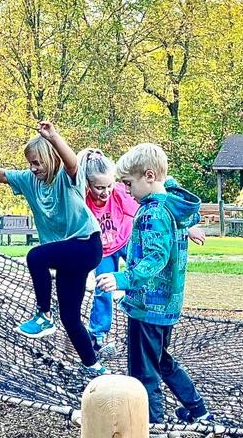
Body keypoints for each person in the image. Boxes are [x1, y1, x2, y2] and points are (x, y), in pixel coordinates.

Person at [95, 143, 210, 438]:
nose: (126, 191)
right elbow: (170, 186)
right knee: (162, 361)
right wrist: (190, 226)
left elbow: (156, 257)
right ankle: (197, 409)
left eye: (129, 184)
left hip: (147, 306)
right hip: (166, 306)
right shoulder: (171, 207)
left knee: (144, 373)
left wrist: (123, 278)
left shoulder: (152, 212)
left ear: (148, 176)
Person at [0, 122, 106, 375]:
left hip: (86, 245)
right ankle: (93, 366)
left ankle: (43, 315)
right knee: (70, 317)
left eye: (38, 162)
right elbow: (3, 175)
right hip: (66, 255)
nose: (34, 168)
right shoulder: (30, 181)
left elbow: (72, 162)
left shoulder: (67, 178)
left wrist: (54, 137)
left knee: (36, 256)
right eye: (31, 163)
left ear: (51, 158)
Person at [77, 148, 206, 358]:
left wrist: (186, 227)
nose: (106, 191)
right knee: (104, 287)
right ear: (88, 185)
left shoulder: (128, 196)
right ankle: (98, 333)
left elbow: (157, 192)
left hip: (126, 243)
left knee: (140, 273)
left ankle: (142, 302)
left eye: (110, 185)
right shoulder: (84, 200)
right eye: (99, 187)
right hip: (102, 250)